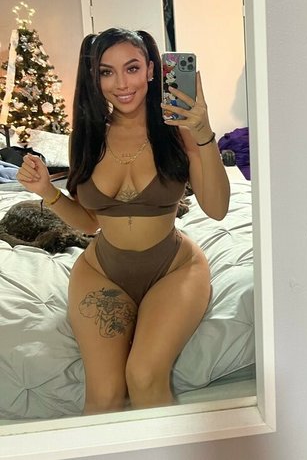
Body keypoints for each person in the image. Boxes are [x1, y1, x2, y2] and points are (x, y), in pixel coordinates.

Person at [16, 27, 230, 414]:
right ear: (95, 78)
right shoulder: (87, 137)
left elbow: (216, 208)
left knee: (144, 376)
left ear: (150, 69)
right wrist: (47, 191)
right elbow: (89, 223)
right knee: (105, 396)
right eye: (106, 72)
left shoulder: (177, 132)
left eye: (131, 68)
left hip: (173, 269)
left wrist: (203, 134)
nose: (121, 84)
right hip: (102, 271)